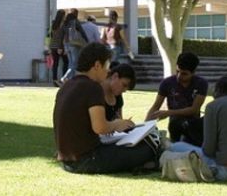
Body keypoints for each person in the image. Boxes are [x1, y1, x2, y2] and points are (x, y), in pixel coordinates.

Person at [53, 43, 157, 174]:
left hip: (66, 160)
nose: (108, 71)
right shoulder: (93, 87)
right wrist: (118, 124)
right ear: (97, 65)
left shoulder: (66, 86)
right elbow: (100, 127)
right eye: (107, 66)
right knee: (147, 148)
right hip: (87, 159)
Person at [146, 52, 208, 145]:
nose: (179, 76)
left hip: (193, 127)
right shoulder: (167, 83)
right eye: (177, 71)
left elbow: (194, 110)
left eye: (184, 74)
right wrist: (145, 127)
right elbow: (156, 106)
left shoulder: (201, 84)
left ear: (193, 72)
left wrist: (169, 112)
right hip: (174, 126)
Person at [48, 10, 68, 87]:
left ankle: (54, 79)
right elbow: (61, 37)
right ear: (63, 16)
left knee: (55, 63)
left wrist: (49, 47)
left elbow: (51, 35)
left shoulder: (53, 24)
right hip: (60, 46)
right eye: (64, 15)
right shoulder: (63, 24)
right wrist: (61, 47)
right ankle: (63, 78)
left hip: (53, 46)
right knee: (66, 62)